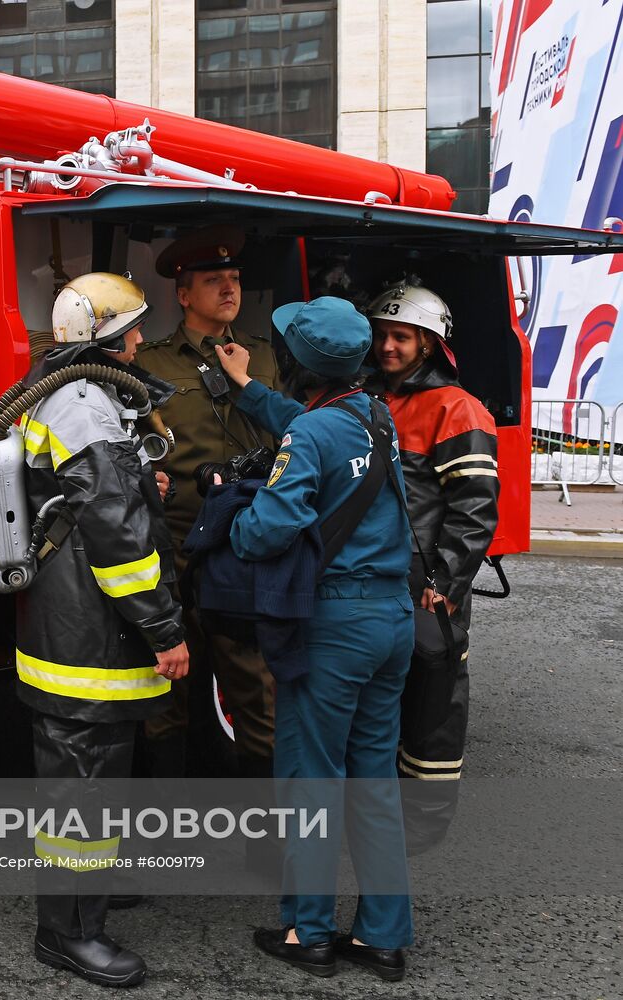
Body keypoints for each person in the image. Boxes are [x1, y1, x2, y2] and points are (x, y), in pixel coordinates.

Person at [214, 297, 415, 982]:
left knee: (311, 780)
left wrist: (229, 523)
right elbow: (313, 429)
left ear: (301, 362)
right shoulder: (375, 416)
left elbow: (270, 527)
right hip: (392, 622)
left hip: (336, 627)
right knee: (375, 781)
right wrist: (251, 391)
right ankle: (384, 938)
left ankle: (310, 932)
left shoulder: (314, 435)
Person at [16, 272, 189, 988]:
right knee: (83, 779)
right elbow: (118, 537)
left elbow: (89, 497)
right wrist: (165, 630)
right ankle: (68, 934)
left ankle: (87, 896)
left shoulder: (60, 392)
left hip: (66, 616)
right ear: (107, 341)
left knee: (92, 772)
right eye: (133, 331)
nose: (143, 340)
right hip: (87, 630)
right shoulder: (87, 403)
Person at [137, 226, 282, 782]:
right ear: (182, 293)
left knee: (255, 692)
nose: (229, 288)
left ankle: (265, 844)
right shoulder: (151, 363)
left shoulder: (263, 358)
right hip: (175, 548)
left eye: (235, 278)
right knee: (166, 688)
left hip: (244, 546)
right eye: (214, 280)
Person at [364, 282, 499, 845]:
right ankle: (383, 814)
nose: (387, 347)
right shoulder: (371, 397)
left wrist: (446, 580)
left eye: (401, 337)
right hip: (377, 582)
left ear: (429, 343)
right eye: (381, 335)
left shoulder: (456, 408)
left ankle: (424, 822)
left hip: (428, 589)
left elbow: (475, 508)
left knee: (433, 703)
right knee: (382, 703)